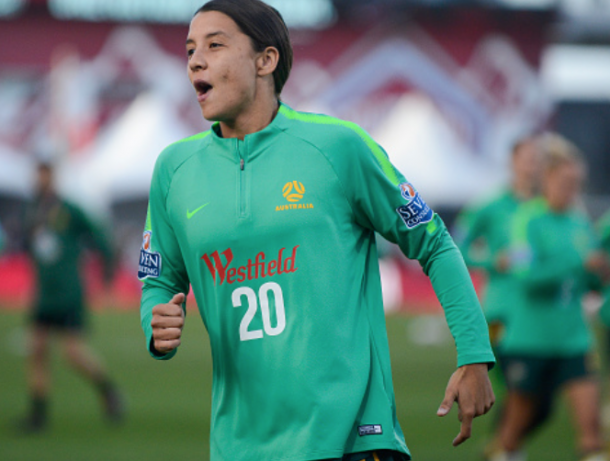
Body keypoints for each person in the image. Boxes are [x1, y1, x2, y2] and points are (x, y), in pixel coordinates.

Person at [139, 1, 495, 460]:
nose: (195, 60)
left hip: (355, 440)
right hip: (241, 446)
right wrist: (157, 322)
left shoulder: (339, 147)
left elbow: (434, 241)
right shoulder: (174, 170)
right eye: (190, 50)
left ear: (266, 60)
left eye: (215, 45)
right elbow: (160, 280)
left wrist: (473, 353)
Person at [492, 134, 608, 461]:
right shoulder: (525, 220)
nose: (572, 188)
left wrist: (597, 275)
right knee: (514, 433)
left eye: (577, 182)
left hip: (574, 338)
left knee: (591, 432)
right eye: (566, 180)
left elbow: (586, 286)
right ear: (547, 179)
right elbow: (527, 278)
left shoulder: (581, 222)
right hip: (531, 339)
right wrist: (575, 263)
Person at [20, 162, 124, 432]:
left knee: (72, 353)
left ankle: (107, 390)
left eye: (45, 174)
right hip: (44, 293)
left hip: (68, 292)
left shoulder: (69, 209)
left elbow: (100, 237)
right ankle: (38, 414)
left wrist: (107, 274)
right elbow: (30, 247)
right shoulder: (31, 210)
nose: (41, 179)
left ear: (52, 177)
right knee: (37, 349)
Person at [453, 137, 541, 456]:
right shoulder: (490, 206)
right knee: (518, 386)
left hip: (541, 317)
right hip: (502, 314)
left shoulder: (548, 207)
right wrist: (493, 260)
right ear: (513, 162)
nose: (535, 165)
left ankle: (502, 445)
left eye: (539, 158)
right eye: (529, 157)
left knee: (536, 394)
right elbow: (457, 247)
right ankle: (506, 448)